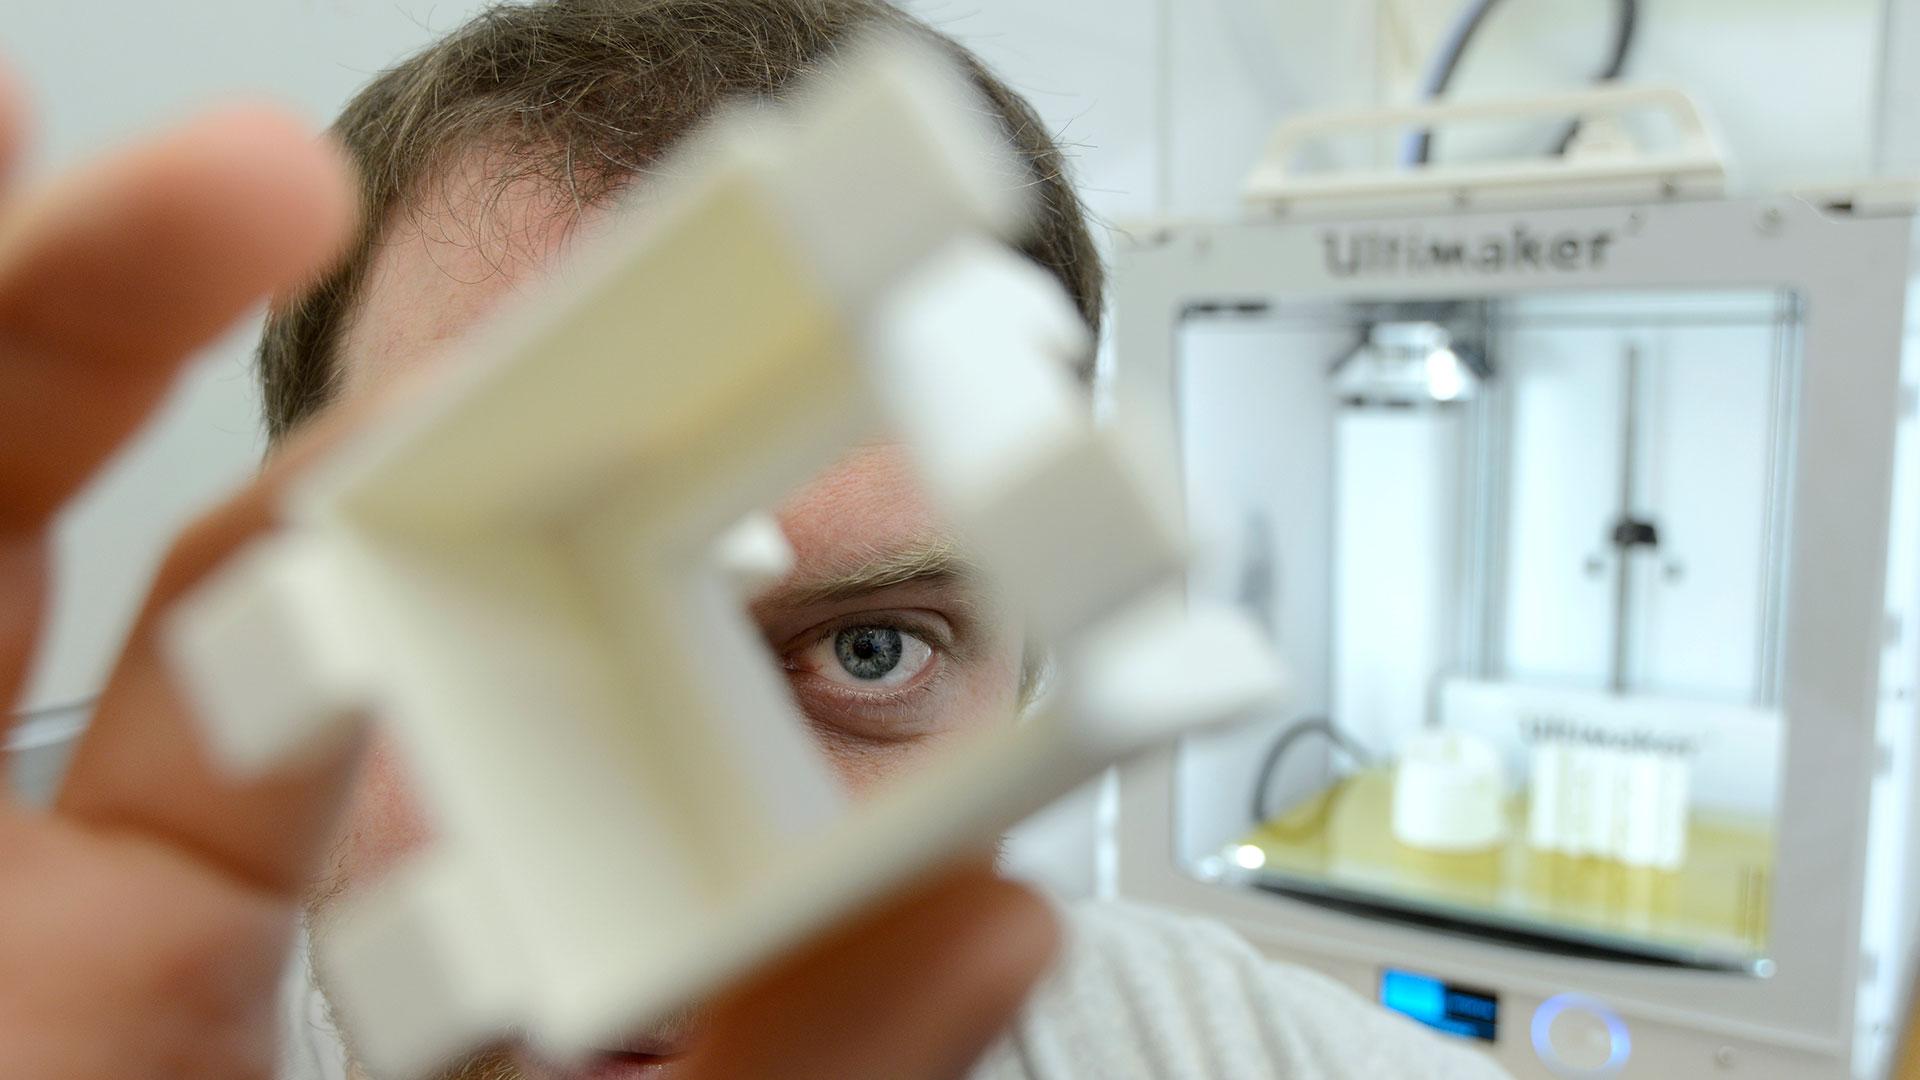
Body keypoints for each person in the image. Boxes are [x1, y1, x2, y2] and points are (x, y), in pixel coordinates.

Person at [0, 2, 1510, 1079]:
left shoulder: (1218, 1052)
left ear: (1031, 668)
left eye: (872, 651)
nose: (673, 900)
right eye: (503, 618)